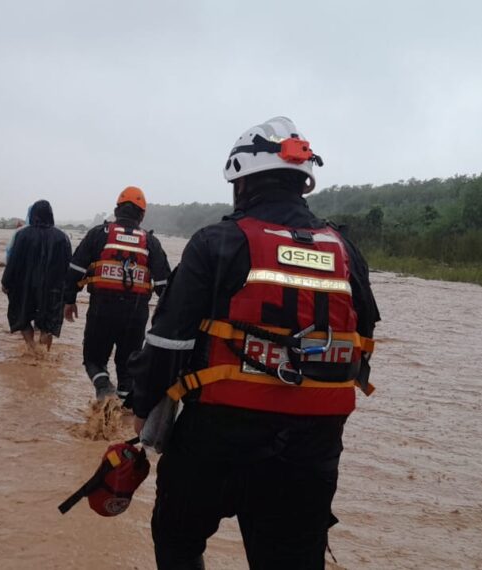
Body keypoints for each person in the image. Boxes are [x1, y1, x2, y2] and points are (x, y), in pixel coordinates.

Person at [129, 117, 381, 569]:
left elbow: (168, 341)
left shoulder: (216, 241)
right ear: (302, 184)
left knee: (176, 537)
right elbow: (366, 333)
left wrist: (143, 410)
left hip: (217, 437)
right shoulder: (344, 250)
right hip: (312, 449)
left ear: (241, 184)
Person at [63, 187, 171, 401]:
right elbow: (164, 285)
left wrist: (69, 299)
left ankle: (104, 388)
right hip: (136, 314)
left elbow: (75, 270)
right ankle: (121, 414)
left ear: (116, 210)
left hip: (101, 310)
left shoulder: (97, 234)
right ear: (142, 215)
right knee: (128, 367)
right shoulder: (151, 242)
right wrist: (167, 318)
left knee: (93, 360)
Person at [2, 200, 71, 352]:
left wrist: (5, 282)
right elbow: (68, 266)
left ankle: (31, 348)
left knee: (23, 318)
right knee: (48, 324)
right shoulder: (62, 237)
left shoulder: (22, 235)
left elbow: (13, 261)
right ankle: (43, 354)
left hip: (24, 287)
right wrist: (69, 291)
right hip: (52, 289)